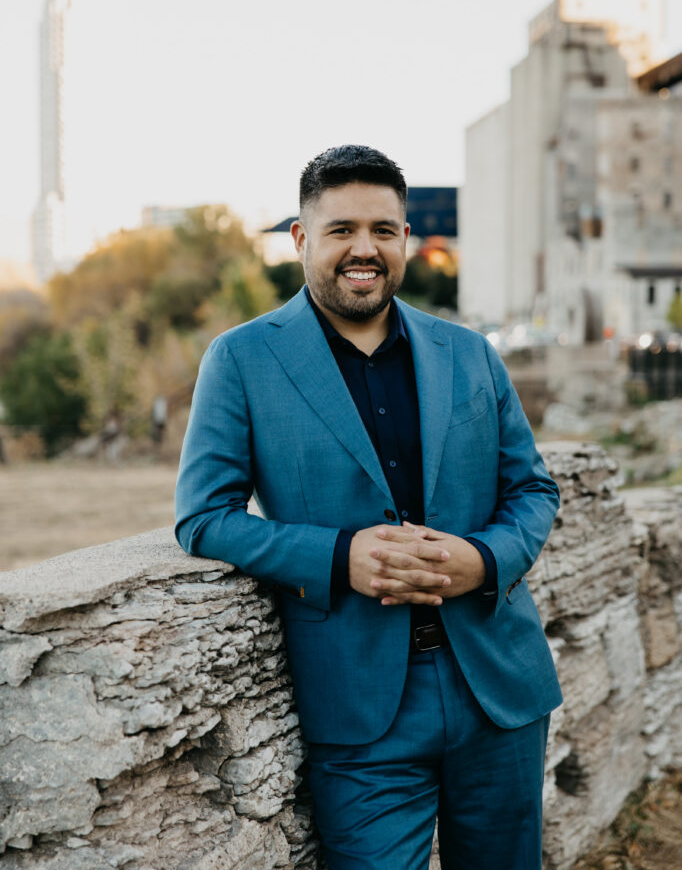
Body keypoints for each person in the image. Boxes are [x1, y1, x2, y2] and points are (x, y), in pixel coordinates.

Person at [174, 144, 562, 870]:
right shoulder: (241, 359)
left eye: (384, 230)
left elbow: (534, 490)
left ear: (406, 240)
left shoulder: (471, 352)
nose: (365, 249)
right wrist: (337, 556)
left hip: (498, 689)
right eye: (342, 229)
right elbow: (202, 516)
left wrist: (482, 559)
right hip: (358, 705)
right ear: (300, 240)